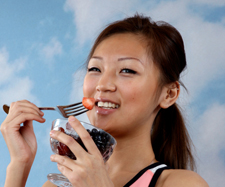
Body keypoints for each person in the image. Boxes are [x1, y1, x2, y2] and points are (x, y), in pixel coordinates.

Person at [0, 14, 209, 187]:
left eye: (127, 70)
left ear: (169, 94)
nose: (103, 84)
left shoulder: (181, 183)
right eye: (95, 69)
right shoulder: (61, 184)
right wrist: (20, 163)